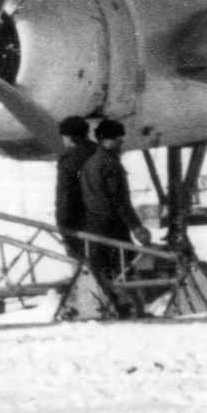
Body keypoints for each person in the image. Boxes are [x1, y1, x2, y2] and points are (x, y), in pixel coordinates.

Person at [77, 119, 148, 304]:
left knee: (102, 275)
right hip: (113, 227)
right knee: (126, 270)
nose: (121, 143)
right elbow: (120, 202)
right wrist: (137, 227)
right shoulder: (111, 164)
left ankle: (113, 308)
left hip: (93, 227)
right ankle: (136, 308)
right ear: (108, 140)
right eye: (119, 140)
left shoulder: (89, 163)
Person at [53, 116, 95, 263]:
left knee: (85, 271)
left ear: (68, 137)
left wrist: (63, 228)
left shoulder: (69, 161)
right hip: (110, 226)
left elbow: (65, 197)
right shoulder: (103, 154)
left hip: (81, 227)